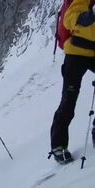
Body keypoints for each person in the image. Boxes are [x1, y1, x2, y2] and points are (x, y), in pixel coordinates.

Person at [49, 0, 95, 164]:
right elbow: (69, 18)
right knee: (68, 101)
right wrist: (85, 17)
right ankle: (58, 146)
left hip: (91, 52)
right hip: (75, 54)